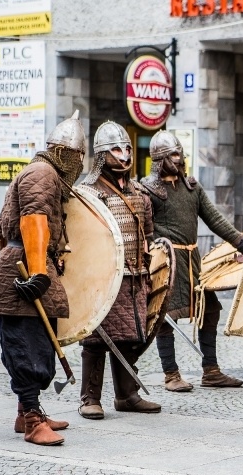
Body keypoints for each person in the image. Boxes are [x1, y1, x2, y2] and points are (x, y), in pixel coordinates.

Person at [0, 111, 85, 445]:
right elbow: (33, 220)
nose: (80, 163)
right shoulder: (42, 173)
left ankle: (26, 413)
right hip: (25, 268)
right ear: (68, 155)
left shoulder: (38, 171)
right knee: (24, 346)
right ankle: (33, 421)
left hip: (27, 263)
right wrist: (38, 271)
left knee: (37, 341)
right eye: (79, 156)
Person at [141, 131, 243, 392]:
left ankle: (211, 371)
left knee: (209, 310)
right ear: (160, 159)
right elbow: (143, 229)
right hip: (166, 263)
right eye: (174, 155)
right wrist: (154, 254)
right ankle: (171, 374)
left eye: (180, 154)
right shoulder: (147, 189)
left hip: (192, 261)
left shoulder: (191, 187)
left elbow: (215, 219)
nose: (180, 159)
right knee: (166, 316)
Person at [77, 121, 161, 419]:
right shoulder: (86, 193)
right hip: (101, 278)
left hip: (135, 277)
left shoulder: (139, 192)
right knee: (96, 338)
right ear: (101, 155)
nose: (124, 155)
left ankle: (127, 395)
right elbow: (78, 238)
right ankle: (89, 398)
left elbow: (148, 235)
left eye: (126, 148)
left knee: (129, 335)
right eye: (116, 149)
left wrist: (153, 261)